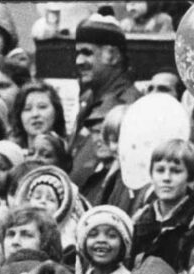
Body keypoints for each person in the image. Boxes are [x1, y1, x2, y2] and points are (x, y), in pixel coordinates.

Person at [69, 13, 139, 191]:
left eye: (87, 53)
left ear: (113, 55)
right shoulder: (89, 99)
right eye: (77, 53)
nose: (79, 61)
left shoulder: (129, 106)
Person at [131, 139, 194, 272]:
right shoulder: (140, 220)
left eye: (176, 171)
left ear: (190, 178)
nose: (166, 178)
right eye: (160, 170)